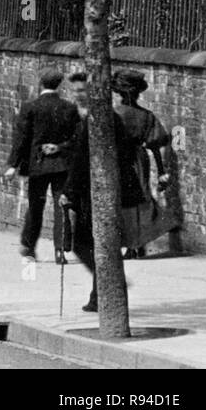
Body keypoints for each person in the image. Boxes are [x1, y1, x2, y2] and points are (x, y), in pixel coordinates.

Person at [60, 87, 146, 312]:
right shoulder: (112, 119)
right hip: (111, 189)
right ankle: (102, 292)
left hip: (96, 192)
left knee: (86, 243)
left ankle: (106, 291)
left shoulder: (95, 121)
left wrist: (68, 192)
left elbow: (81, 159)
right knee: (103, 242)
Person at [4, 68, 81, 264]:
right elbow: (77, 138)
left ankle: (29, 247)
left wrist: (13, 165)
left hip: (36, 165)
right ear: (59, 85)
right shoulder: (69, 108)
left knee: (35, 206)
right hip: (62, 164)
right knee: (61, 207)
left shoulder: (30, 107)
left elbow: (21, 138)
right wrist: (59, 147)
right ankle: (60, 252)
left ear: (41, 83)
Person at [112, 70, 174, 258]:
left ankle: (128, 243)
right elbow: (155, 144)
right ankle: (137, 244)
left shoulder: (113, 113)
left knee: (121, 200)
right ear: (138, 93)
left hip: (117, 159)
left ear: (119, 93)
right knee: (142, 196)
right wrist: (161, 171)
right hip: (139, 159)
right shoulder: (147, 115)